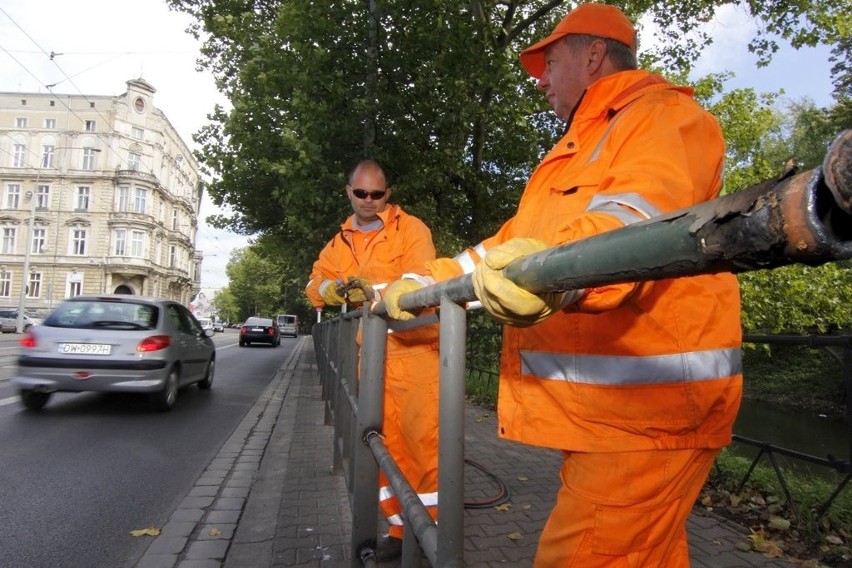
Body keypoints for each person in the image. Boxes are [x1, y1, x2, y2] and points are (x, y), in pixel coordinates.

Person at [383, 4, 742, 566]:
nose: (542, 81)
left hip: (647, 416)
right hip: (619, 417)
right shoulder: (580, 148)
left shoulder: (662, 117)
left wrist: (553, 278)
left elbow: (629, 225)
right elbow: (502, 249)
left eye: (549, 64)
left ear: (593, 53)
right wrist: (415, 283)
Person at [305, 159, 440, 561]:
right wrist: (331, 290)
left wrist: (367, 292)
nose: (368, 200)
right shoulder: (340, 241)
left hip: (415, 350)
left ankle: (432, 534)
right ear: (348, 192)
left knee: (423, 444)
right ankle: (400, 529)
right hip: (374, 351)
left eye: (376, 194)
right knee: (383, 442)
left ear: (388, 194)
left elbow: (416, 281)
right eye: (360, 193)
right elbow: (314, 283)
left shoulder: (411, 230)